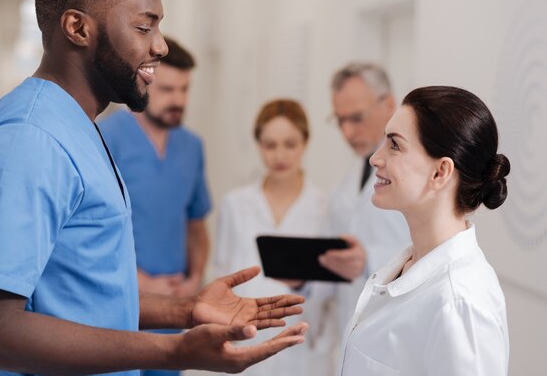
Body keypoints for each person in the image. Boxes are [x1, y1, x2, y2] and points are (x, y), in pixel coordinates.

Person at [0, 0, 307, 376]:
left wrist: (186, 310)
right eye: (144, 27)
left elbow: (83, 296)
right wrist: (173, 353)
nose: (161, 46)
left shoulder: (75, 126)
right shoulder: (28, 142)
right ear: (78, 28)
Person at [338, 86, 510, 375]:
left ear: (440, 172)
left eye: (394, 145)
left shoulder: (460, 303)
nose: (375, 158)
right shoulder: (404, 268)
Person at [97, 36, 210, 376]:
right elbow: (92, 229)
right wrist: (138, 280)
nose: (178, 100)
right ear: (144, 81)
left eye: (185, 90)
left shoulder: (192, 147)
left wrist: (194, 279)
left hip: (173, 306)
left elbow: (196, 224)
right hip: (119, 298)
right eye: (168, 90)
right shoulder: (106, 136)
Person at [213, 99, 336, 376]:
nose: (280, 155)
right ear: (259, 145)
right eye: (270, 145)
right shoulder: (235, 204)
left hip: (303, 349)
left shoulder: (326, 207)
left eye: (289, 144)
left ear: (305, 143)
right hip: (245, 344)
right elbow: (222, 274)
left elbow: (331, 289)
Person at [315, 63, 410, 335]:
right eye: (340, 120)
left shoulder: (417, 176)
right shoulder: (345, 186)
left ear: (389, 104)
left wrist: (368, 259)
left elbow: (434, 251)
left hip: (396, 328)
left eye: (356, 118)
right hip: (353, 329)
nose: (347, 132)